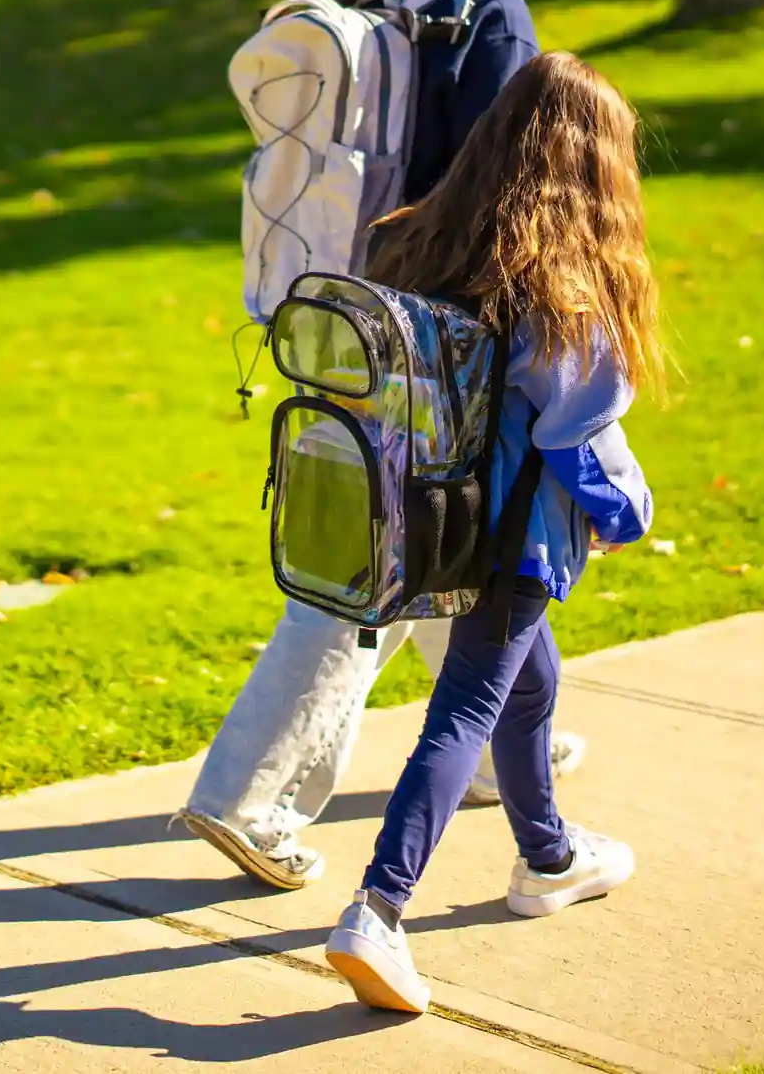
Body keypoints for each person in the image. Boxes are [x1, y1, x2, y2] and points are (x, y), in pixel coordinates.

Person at [179, 0, 585, 891]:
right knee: (393, 558)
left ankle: (519, 750)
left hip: (338, 314)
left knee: (450, 547)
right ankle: (244, 794)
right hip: (441, 331)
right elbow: (513, 191)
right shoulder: (488, 9)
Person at [323, 51, 661, 1013]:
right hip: (510, 535)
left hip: (423, 516)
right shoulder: (560, 284)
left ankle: (547, 856)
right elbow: (575, 429)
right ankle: (376, 912)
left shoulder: (420, 241)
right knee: (467, 707)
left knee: (527, 685)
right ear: (594, 165)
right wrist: (625, 511)